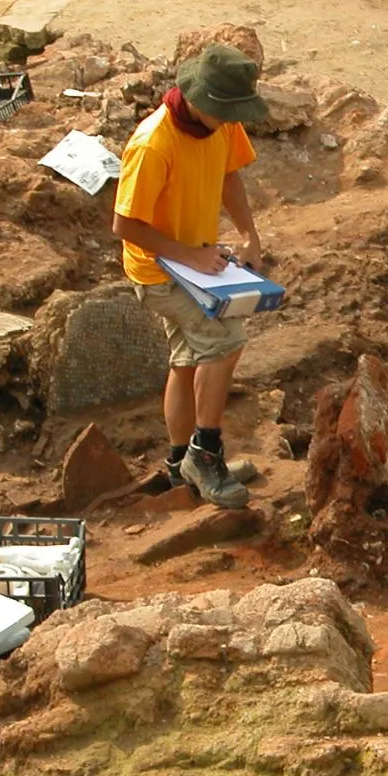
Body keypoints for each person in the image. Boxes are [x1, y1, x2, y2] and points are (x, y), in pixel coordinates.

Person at [111, 43, 268, 508]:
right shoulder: (152, 144)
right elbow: (125, 224)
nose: (233, 119)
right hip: (158, 271)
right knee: (226, 341)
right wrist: (188, 256)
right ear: (200, 100)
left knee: (185, 360)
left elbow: (229, 175)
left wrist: (249, 235)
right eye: (228, 111)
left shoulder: (221, 121)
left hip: (193, 263)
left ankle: (181, 464)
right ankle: (206, 453)